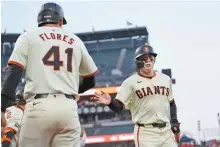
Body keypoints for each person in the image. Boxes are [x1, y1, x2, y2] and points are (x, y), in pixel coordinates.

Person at [1, 2, 98, 147]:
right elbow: (91, 81)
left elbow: (14, 72)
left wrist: (2, 107)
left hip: (38, 106)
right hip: (68, 108)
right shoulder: (75, 40)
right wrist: (69, 91)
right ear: (60, 20)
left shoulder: (28, 37)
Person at [93, 44, 180, 147]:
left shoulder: (165, 79)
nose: (148, 60)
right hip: (145, 132)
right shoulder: (130, 83)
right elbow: (119, 107)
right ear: (138, 62)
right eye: (144, 58)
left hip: (166, 131)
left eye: (150, 58)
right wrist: (110, 102)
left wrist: (174, 121)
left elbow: (171, 103)